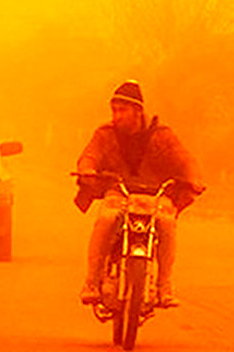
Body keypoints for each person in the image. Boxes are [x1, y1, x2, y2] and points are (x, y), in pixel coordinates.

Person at [74, 80, 203, 308]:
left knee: (166, 222)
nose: (116, 116)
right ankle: (92, 282)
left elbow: (184, 159)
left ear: (138, 111)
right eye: (114, 110)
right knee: (105, 219)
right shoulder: (105, 134)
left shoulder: (162, 135)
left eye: (122, 110)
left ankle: (164, 287)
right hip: (118, 192)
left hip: (156, 195)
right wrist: (87, 170)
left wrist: (194, 178)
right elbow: (90, 156)